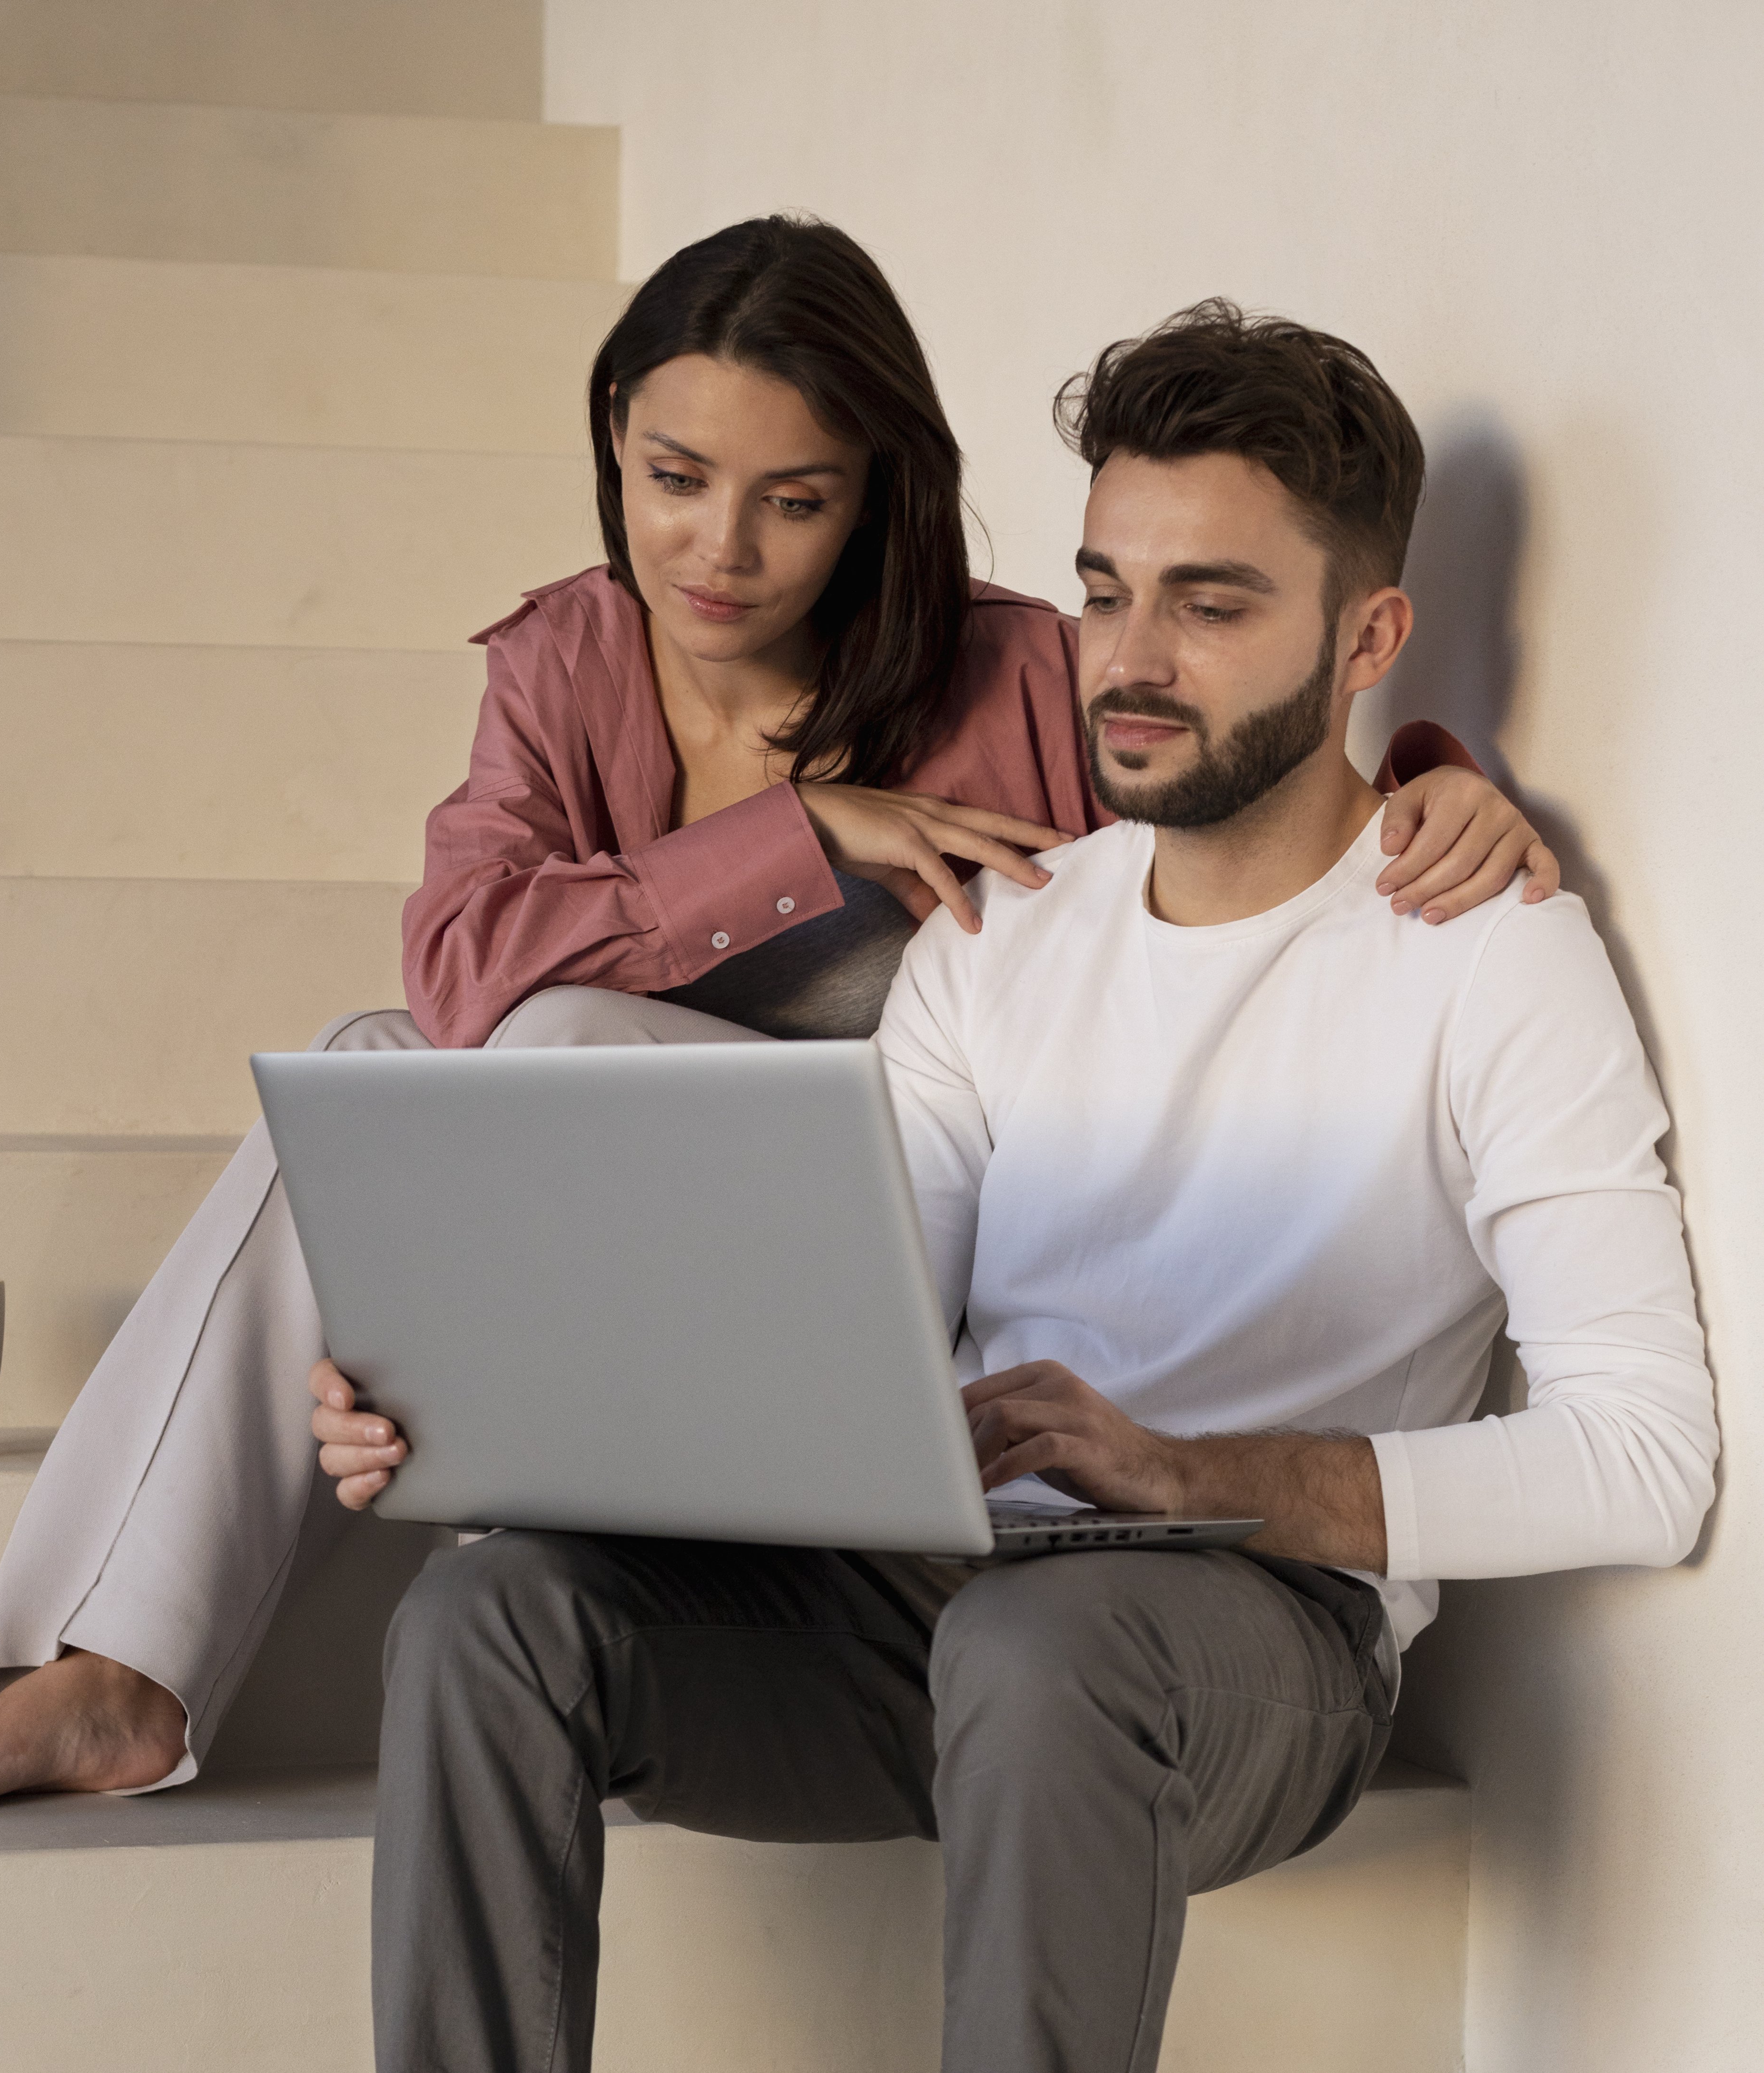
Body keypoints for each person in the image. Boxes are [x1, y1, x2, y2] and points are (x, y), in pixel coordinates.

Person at [0, 223, 1550, 1818]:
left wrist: (1426, 772)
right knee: (374, 1069)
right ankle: (117, 1666)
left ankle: (516, 1538)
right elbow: (459, 965)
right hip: (655, 1227)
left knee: (553, 1043)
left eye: (793, 500)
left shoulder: (1016, 667)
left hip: (904, 1228)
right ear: (611, 439)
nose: (719, 551)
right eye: (673, 480)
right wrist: (798, 836)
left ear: (876, 494)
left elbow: (1224, 820)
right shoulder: (564, 660)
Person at [341, 302, 1716, 2073]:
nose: (1129, 658)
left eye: (1210, 603)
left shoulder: (1488, 954)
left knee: (1048, 1639)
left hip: (1246, 1636)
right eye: (1100, 589)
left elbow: (1644, 1455)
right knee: (487, 1610)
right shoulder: (1005, 931)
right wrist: (471, 1408)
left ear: (1369, 633)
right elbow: (851, 1331)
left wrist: (1196, 1476)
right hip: (943, 1592)